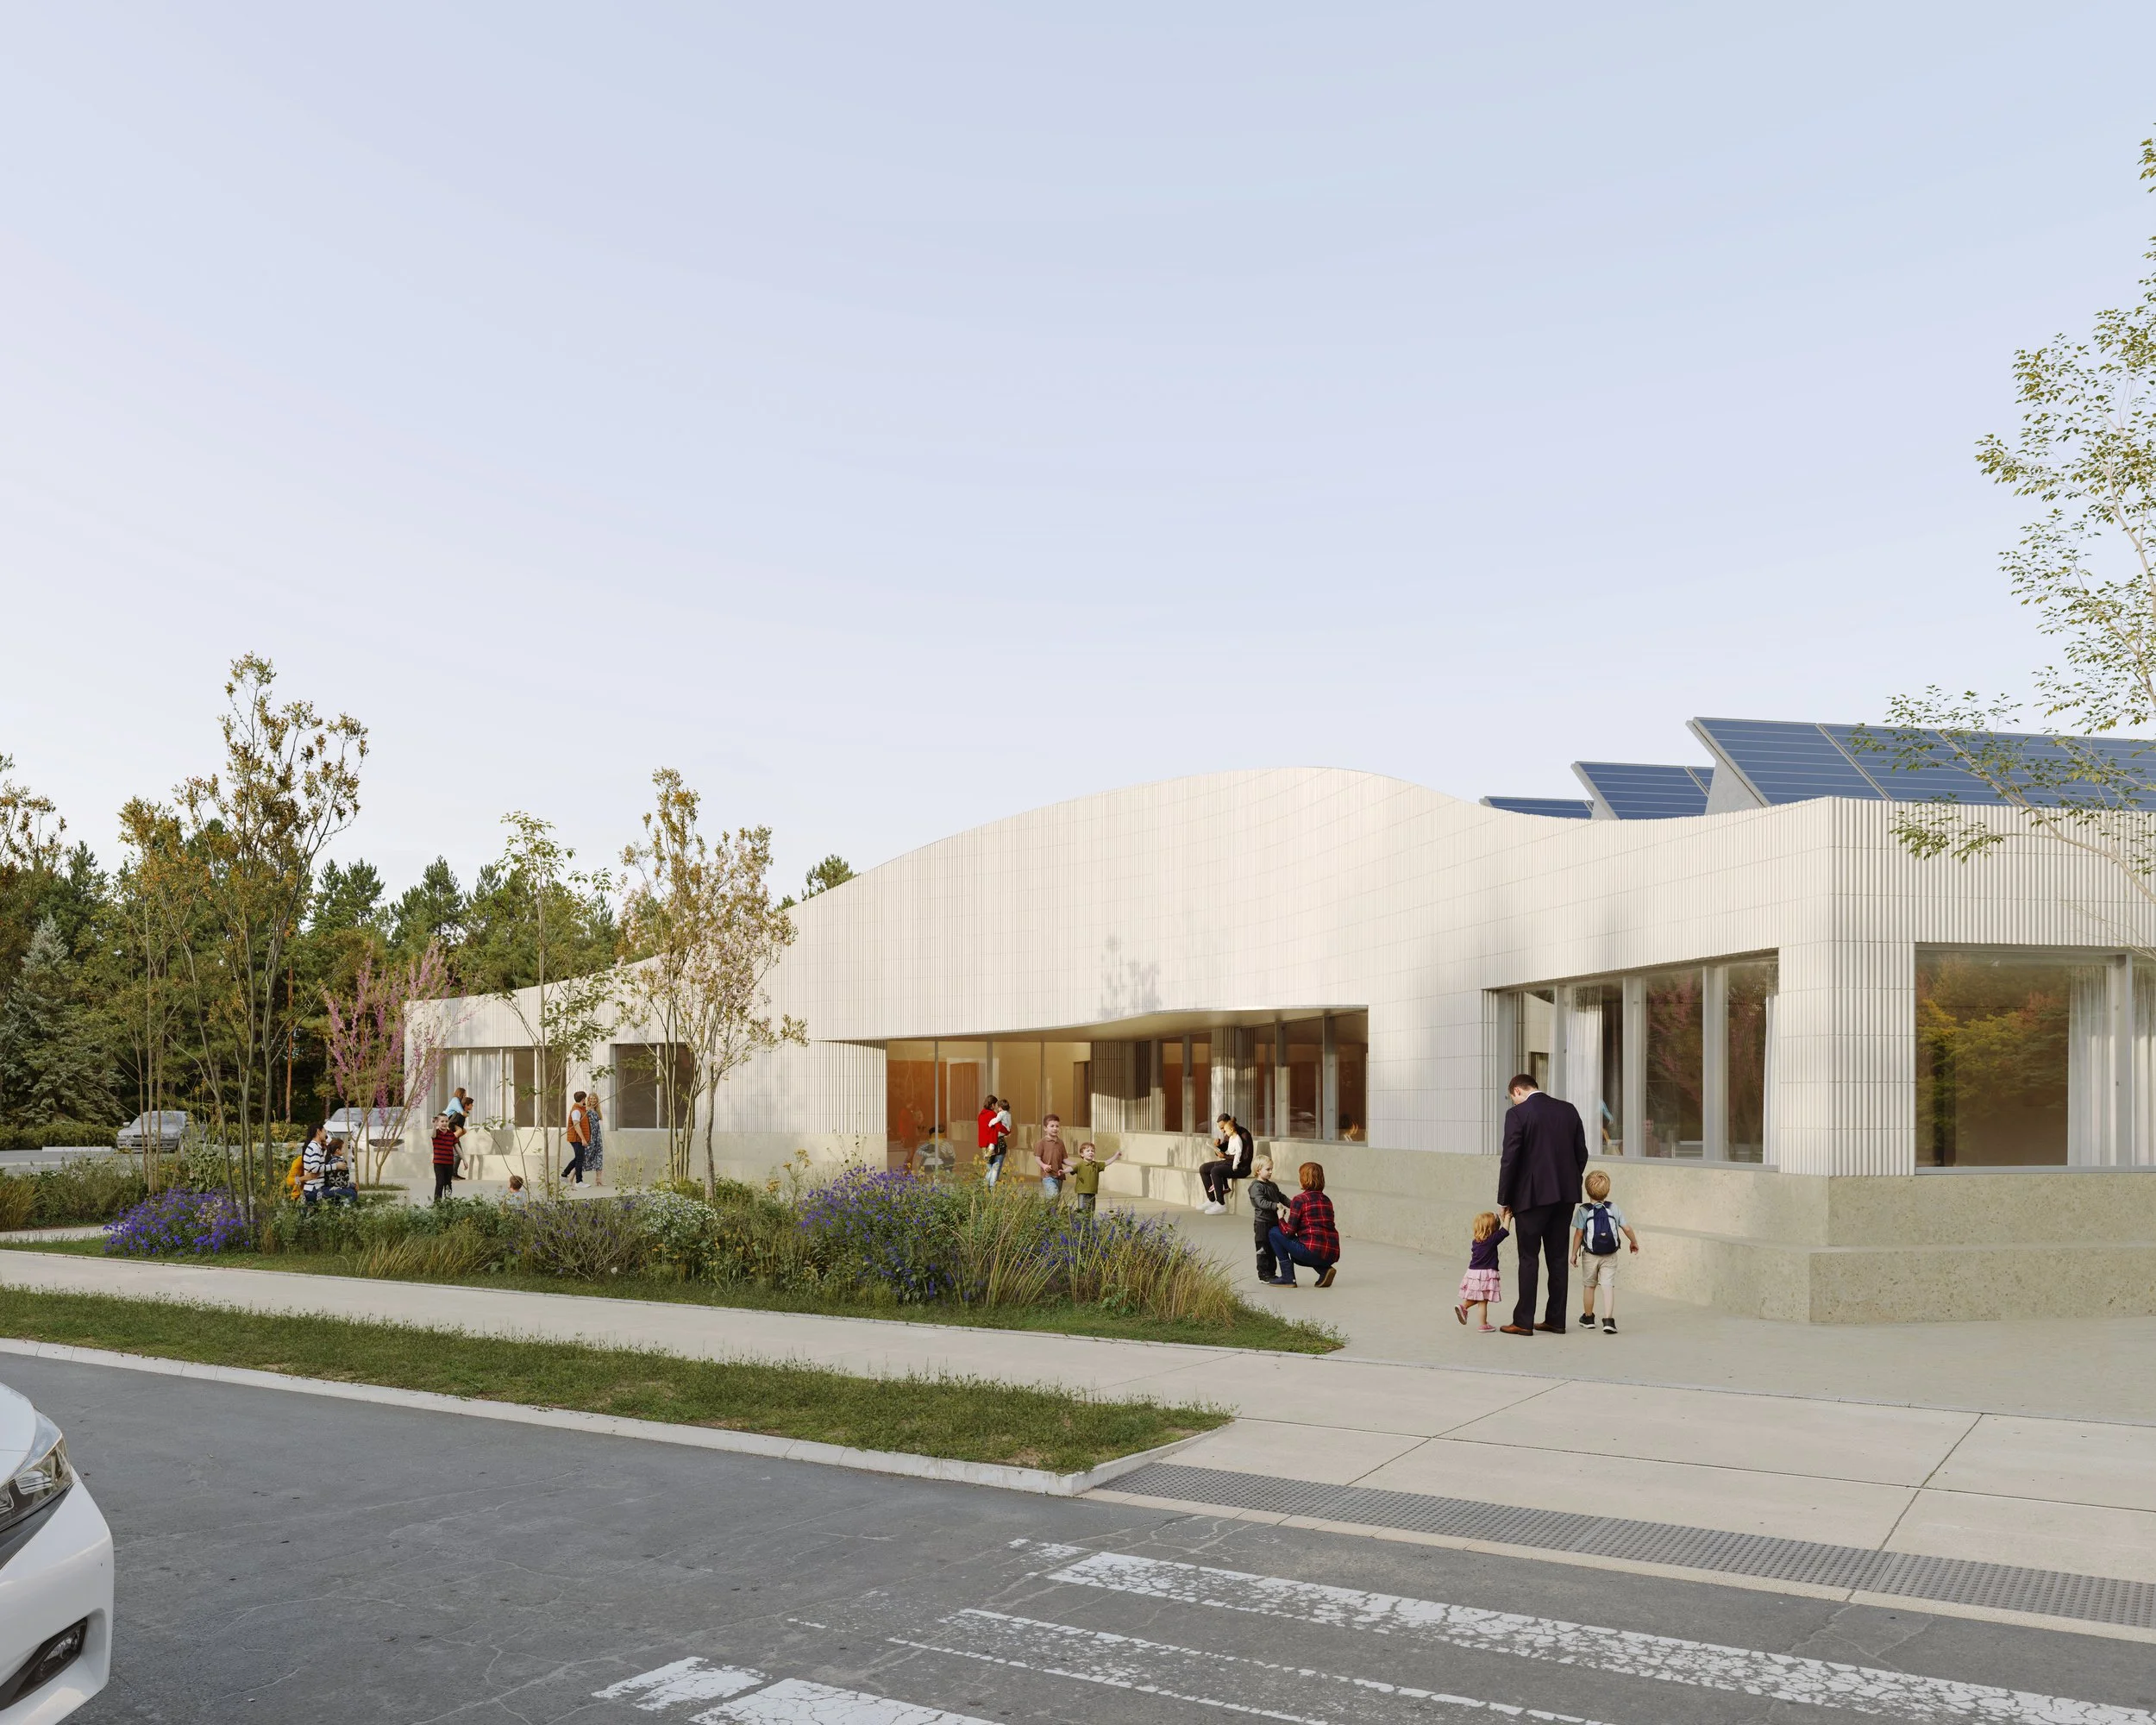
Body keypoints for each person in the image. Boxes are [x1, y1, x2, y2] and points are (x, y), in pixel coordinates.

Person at [1496, 1072, 1589, 1336]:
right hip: (1565, 1196)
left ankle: (1524, 1322)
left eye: (1511, 1097)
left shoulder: (1518, 1114)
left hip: (1530, 1197)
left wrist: (1504, 1199)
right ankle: (1556, 1320)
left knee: (1529, 1258)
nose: (1513, 1102)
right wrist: (1570, 1180)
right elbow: (1581, 1153)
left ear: (1516, 1091)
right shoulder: (1568, 1110)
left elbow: (1510, 1159)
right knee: (1558, 1257)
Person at [1570, 1168, 1639, 1333]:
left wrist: (1573, 1253)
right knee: (1607, 1286)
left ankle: (1588, 1318)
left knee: (1589, 1286)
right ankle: (1609, 1320)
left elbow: (1579, 1234)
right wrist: (1633, 1242)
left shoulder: (1583, 1210)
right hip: (1610, 1254)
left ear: (1587, 1191)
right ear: (1607, 1191)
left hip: (1590, 1255)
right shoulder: (1614, 1208)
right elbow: (1627, 1228)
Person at [1266, 1161, 1340, 1288]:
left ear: (1304, 1178)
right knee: (1300, 1253)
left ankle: (1287, 1278)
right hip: (1331, 1254)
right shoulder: (1327, 1200)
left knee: (1274, 1232)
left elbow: (1288, 1233)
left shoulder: (1299, 1200)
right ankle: (1325, 1270)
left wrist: (1280, 1218)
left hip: (1311, 1252)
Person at [1455, 1210, 1508, 1332]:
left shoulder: (1476, 1242)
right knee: (1483, 1301)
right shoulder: (1491, 1241)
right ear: (1492, 1228)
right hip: (1485, 1274)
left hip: (1473, 1273)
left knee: (1480, 1298)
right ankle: (1479, 1321)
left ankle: (1466, 1309)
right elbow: (1504, 1231)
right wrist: (1508, 1218)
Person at [1199, 1113, 1254, 1213]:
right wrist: (1218, 1146)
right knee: (1203, 1168)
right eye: (1220, 1129)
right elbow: (1225, 1148)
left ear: (1229, 1124)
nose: (1222, 1131)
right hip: (1229, 1163)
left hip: (1241, 1168)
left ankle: (1221, 1204)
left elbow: (1245, 1158)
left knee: (1216, 1171)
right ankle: (1211, 1200)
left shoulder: (1243, 1134)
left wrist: (1225, 1156)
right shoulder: (1229, 1133)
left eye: (1222, 1127)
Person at [1246, 1155, 1289, 1283]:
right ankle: (1264, 1274)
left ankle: (1271, 1273)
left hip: (1274, 1222)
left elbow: (1281, 1197)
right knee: (1263, 1249)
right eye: (1268, 1169)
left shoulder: (1272, 1185)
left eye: (1272, 1169)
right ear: (1258, 1170)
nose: (1271, 1172)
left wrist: (1294, 1204)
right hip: (1262, 1224)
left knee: (1273, 1248)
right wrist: (1275, 1205)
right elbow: (1261, 1202)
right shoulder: (1256, 1187)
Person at [1068, 1141, 1122, 1213]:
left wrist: (1116, 1156)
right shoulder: (1080, 1164)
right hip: (1082, 1192)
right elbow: (1071, 1168)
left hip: (1092, 1192)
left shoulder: (1096, 1165)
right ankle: (1081, 1223)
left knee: (1091, 1212)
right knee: (1082, 1212)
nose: (1091, 1152)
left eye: (1092, 1151)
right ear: (1082, 1154)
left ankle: (1090, 1223)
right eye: (1088, 1151)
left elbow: (1107, 1162)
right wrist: (1063, 1171)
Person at [1036, 1113, 1070, 1200]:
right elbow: (1037, 1158)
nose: (1055, 1128)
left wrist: (1077, 1164)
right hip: (1048, 1176)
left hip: (1059, 1176)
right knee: (1053, 1195)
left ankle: (1048, 1213)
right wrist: (1044, 1166)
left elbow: (1064, 1160)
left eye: (1057, 1126)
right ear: (1045, 1128)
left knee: (1055, 1199)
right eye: (1052, 1126)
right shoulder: (1041, 1142)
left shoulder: (1060, 1142)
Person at [562, 1091, 591, 1186]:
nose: (585, 1100)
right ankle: (579, 1182)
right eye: (585, 1099)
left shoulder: (581, 1109)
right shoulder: (576, 1111)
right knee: (579, 1160)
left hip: (578, 1139)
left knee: (579, 1158)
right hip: (576, 1139)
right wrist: (583, 1139)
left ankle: (564, 1175)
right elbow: (576, 1125)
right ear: (583, 1099)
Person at [429, 1113, 458, 1202]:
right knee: (440, 1183)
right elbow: (433, 1135)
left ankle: (448, 1202)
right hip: (439, 1163)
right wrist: (434, 1126)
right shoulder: (436, 1133)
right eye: (442, 1121)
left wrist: (464, 1160)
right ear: (438, 1123)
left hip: (449, 1163)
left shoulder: (451, 1134)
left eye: (446, 1121)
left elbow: (457, 1147)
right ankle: (437, 1204)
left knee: (448, 1184)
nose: (445, 1123)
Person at [298, 1124, 329, 1207]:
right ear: (318, 1131)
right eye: (325, 1131)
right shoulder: (315, 1148)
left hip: (310, 1189)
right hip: (312, 1189)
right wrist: (304, 1178)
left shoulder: (314, 1148)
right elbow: (290, 1181)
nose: (325, 1147)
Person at [982, 1097, 1010, 1187]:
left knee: (988, 1168)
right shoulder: (994, 1115)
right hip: (998, 1144)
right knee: (995, 1168)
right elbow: (1000, 1128)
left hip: (986, 1144)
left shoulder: (981, 1115)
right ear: (993, 1105)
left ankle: (984, 1188)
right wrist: (1007, 1131)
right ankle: (992, 1189)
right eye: (995, 1105)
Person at [584, 1090, 606, 1189]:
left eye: (594, 1098)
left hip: (598, 1136)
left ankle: (599, 1179)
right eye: (591, 1098)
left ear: (597, 1100)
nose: (593, 1100)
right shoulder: (586, 1109)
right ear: (588, 1100)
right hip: (590, 1136)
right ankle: (571, 1176)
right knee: (585, 1156)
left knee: (599, 1156)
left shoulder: (597, 1110)